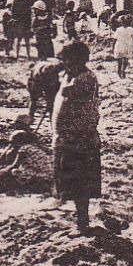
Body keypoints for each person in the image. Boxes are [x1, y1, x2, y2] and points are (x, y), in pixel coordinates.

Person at [52, 40, 101, 232]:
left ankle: (82, 223)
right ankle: (80, 221)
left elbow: (82, 109)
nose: (65, 65)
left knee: (80, 182)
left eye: (68, 61)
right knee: (71, 181)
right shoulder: (72, 76)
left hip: (80, 139)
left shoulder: (84, 79)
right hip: (68, 138)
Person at [0, 117, 53, 192]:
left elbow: (14, 165)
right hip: (50, 170)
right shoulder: (29, 144)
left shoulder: (23, 149)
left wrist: (1, 171)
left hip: (45, 175)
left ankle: (34, 186)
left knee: (15, 171)